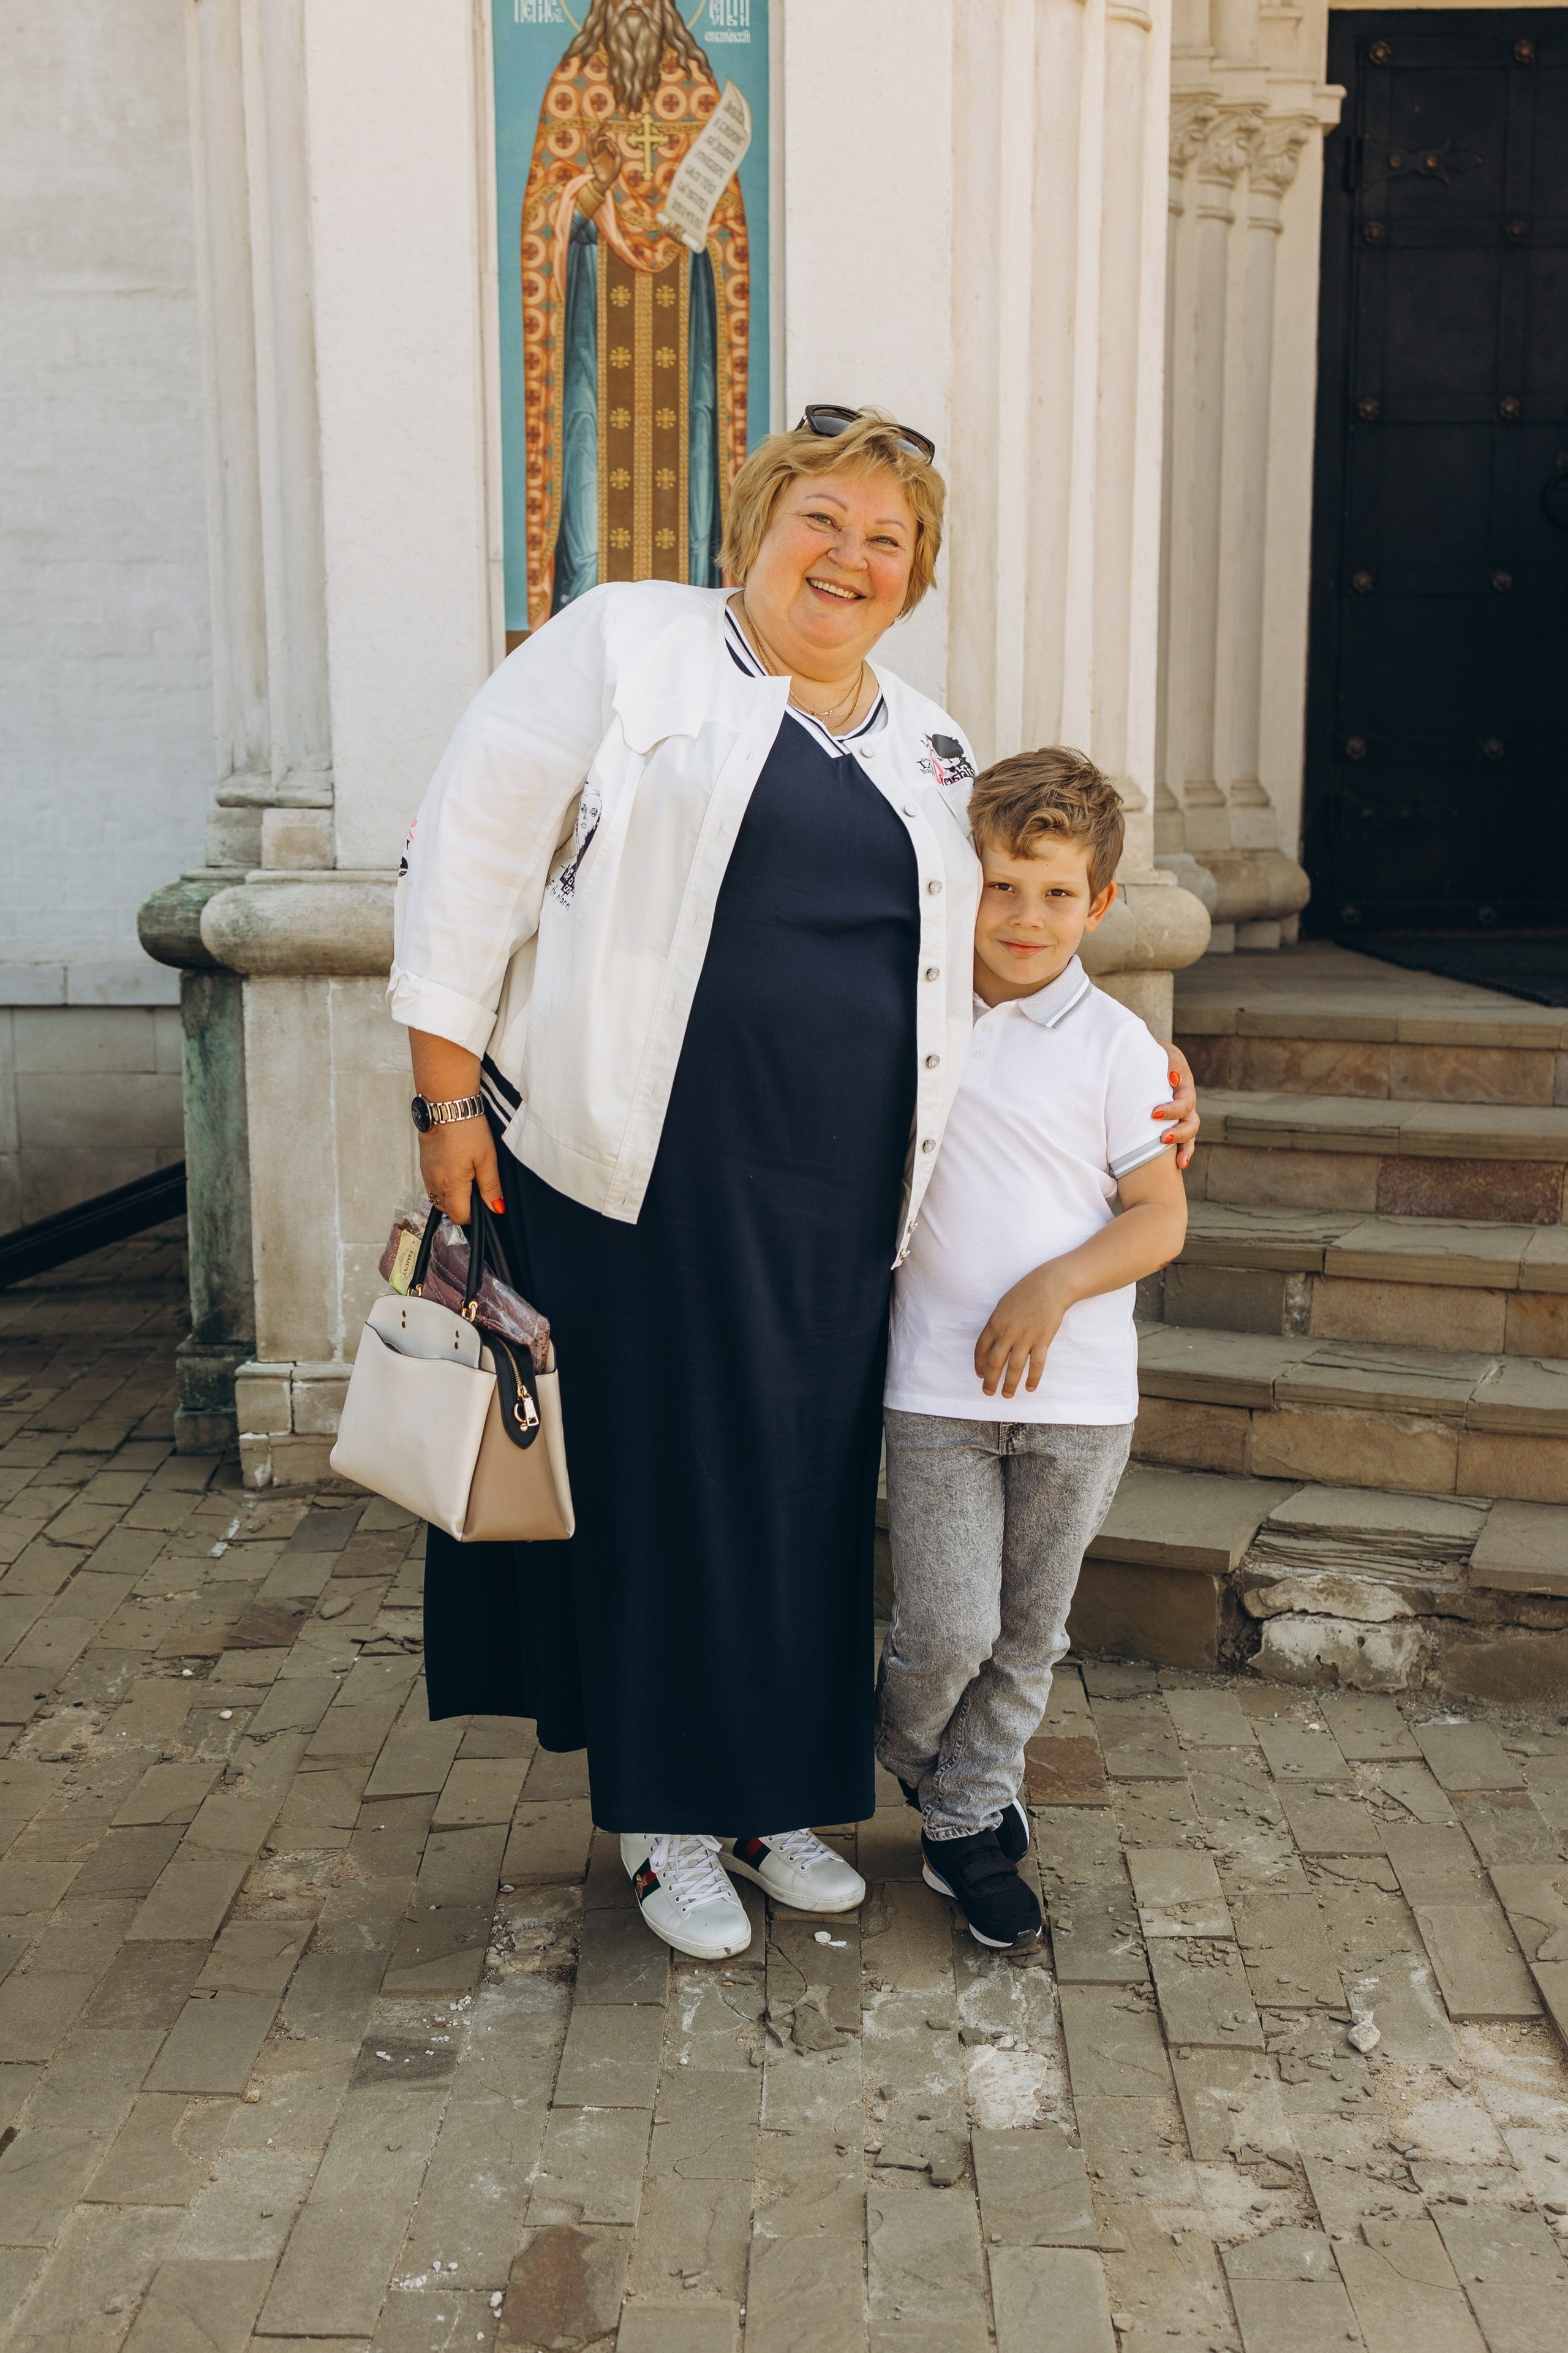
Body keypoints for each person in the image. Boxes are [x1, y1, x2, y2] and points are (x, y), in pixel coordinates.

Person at [388, 409, 1200, 1962]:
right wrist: (442, 1092)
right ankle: (664, 1817)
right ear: (754, 529)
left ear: (914, 575)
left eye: (884, 539)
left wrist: (1149, 1076)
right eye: (819, 520)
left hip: (839, 1204)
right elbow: (472, 848)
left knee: (802, 1502)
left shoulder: (927, 741)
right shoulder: (624, 647)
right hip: (639, 1171)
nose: (847, 557)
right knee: (668, 1487)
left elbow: (996, 954)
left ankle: (766, 1799)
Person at [876, 747, 1189, 1955]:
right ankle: (915, 1757)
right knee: (945, 1629)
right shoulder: (912, 1011)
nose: (1024, 917)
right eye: (1001, 885)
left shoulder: (1117, 1047)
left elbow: (1158, 1214)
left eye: (1056, 893)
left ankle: (961, 1813)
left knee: (1026, 1632)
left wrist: (1054, 1284)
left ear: (1098, 904)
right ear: (963, 886)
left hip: (1077, 1401)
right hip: (933, 1387)